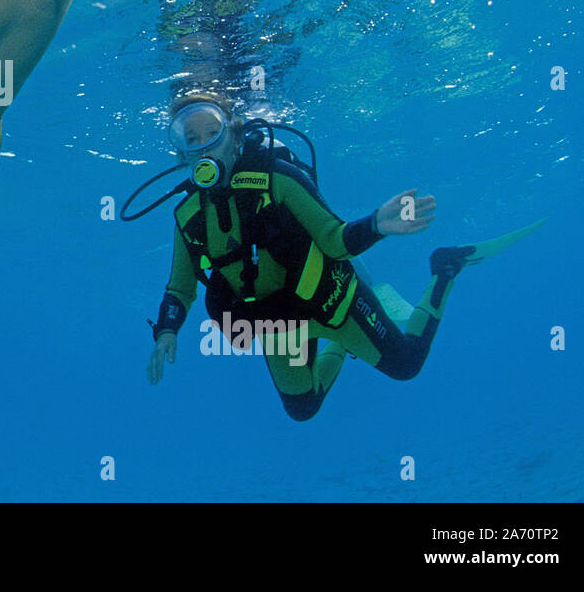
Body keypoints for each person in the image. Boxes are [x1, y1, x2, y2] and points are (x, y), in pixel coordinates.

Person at [141, 92, 533, 421]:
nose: (205, 145)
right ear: (181, 153)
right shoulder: (188, 216)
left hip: (333, 302)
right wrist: (166, 332)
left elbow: (334, 239)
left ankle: (445, 267)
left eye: (213, 132)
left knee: (407, 366)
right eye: (190, 138)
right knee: (302, 408)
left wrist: (376, 224)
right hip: (278, 326)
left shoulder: (279, 179)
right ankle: (340, 348)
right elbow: (180, 285)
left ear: (235, 135)